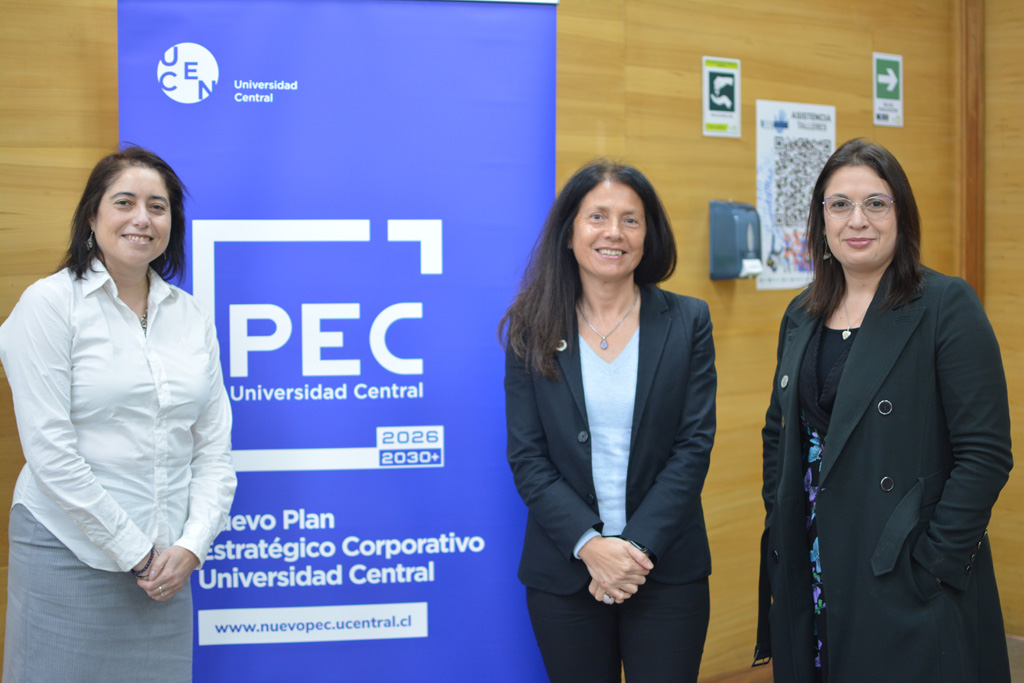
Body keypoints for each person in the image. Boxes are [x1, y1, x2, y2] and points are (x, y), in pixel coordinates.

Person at [755, 138, 1013, 681]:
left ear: (902, 214)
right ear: (822, 219)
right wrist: (781, 521)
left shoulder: (944, 305)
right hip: (813, 562)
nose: (858, 220)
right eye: (840, 204)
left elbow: (985, 454)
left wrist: (936, 562)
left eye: (876, 203)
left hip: (901, 570)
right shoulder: (801, 313)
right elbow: (779, 433)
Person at [0, 146, 237, 681]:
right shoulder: (49, 304)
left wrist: (191, 546)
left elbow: (213, 450)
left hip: (166, 568)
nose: (142, 219)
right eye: (124, 202)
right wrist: (137, 553)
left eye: (158, 206)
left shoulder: (191, 315)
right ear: (92, 215)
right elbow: (50, 453)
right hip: (68, 548)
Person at [501, 160, 716, 683]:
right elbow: (527, 456)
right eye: (597, 216)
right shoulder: (531, 326)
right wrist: (592, 547)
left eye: (630, 220)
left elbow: (693, 446)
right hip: (565, 571)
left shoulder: (687, 321)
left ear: (648, 235)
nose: (613, 232)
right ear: (569, 232)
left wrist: (632, 552)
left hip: (666, 569)